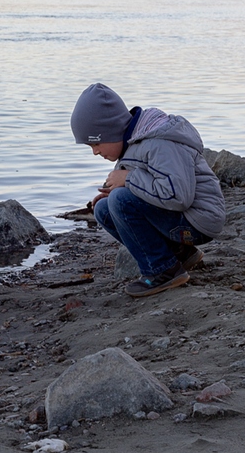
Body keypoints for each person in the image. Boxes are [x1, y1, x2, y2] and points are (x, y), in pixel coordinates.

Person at [70, 83, 226, 297]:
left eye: (95, 145)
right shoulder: (135, 142)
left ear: (111, 131)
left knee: (119, 201)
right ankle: (179, 254)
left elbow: (178, 196)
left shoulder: (160, 143)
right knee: (104, 209)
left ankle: (162, 270)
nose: (95, 153)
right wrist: (117, 189)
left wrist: (129, 180)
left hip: (199, 220)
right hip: (180, 220)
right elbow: (146, 185)